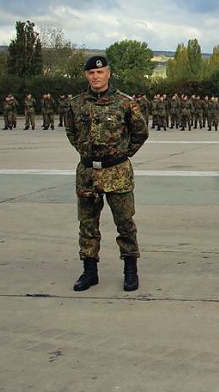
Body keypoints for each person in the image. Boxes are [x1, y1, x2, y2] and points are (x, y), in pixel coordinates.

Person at [65, 56, 149, 292]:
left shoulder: (125, 103)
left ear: (108, 74)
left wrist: (121, 154)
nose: (96, 76)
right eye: (91, 73)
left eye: (100, 72)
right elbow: (71, 131)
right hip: (88, 173)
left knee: (125, 223)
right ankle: (89, 272)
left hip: (117, 172)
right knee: (87, 225)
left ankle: (130, 271)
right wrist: (86, 152)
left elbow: (140, 132)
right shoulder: (76, 104)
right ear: (86, 75)